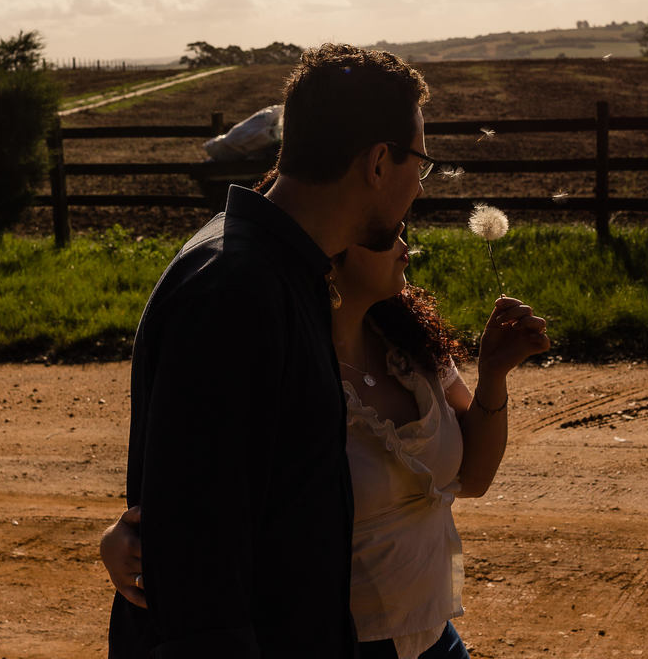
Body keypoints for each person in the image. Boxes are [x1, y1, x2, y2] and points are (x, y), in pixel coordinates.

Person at [108, 43, 435, 658]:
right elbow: (201, 554)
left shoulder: (288, 272)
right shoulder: (236, 290)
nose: (421, 184)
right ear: (378, 162)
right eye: (421, 161)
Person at [103, 231, 551, 658]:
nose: (404, 244)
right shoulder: (281, 356)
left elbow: (473, 477)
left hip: (435, 636)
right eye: (386, 234)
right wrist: (131, 538)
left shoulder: (409, 339)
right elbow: (214, 489)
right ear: (334, 253)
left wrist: (493, 375)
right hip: (342, 643)